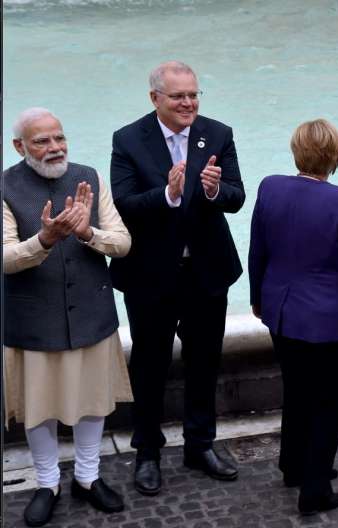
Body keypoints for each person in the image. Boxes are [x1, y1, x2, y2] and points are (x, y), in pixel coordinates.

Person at [110, 60, 245, 495]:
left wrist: (210, 190)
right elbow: (125, 203)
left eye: (193, 94)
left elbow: (236, 197)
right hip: (151, 275)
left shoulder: (218, 133)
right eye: (178, 96)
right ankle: (147, 452)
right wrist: (168, 194)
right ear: (155, 99)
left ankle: (200, 444)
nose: (188, 103)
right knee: (148, 365)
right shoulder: (128, 139)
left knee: (205, 361)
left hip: (205, 271)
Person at [3, 108, 132, 526]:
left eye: (59, 137)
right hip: (32, 320)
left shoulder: (90, 176)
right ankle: (46, 482)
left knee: (93, 400)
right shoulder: (4, 187)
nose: (55, 147)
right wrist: (44, 239)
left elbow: (122, 242)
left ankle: (88, 477)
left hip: (92, 313)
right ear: (19, 146)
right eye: (42, 141)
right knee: (39, 407)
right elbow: (4, 259)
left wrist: (86, 233)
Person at [249, 118, 338, 515]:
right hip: (330, 320)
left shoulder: (270, 186)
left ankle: (292, 465)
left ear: (296, 152)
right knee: (329, 402)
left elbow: (258, 251)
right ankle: (315, 489)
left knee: (296, 390)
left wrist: (258, 299)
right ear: (335, 156)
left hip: (283, 311)